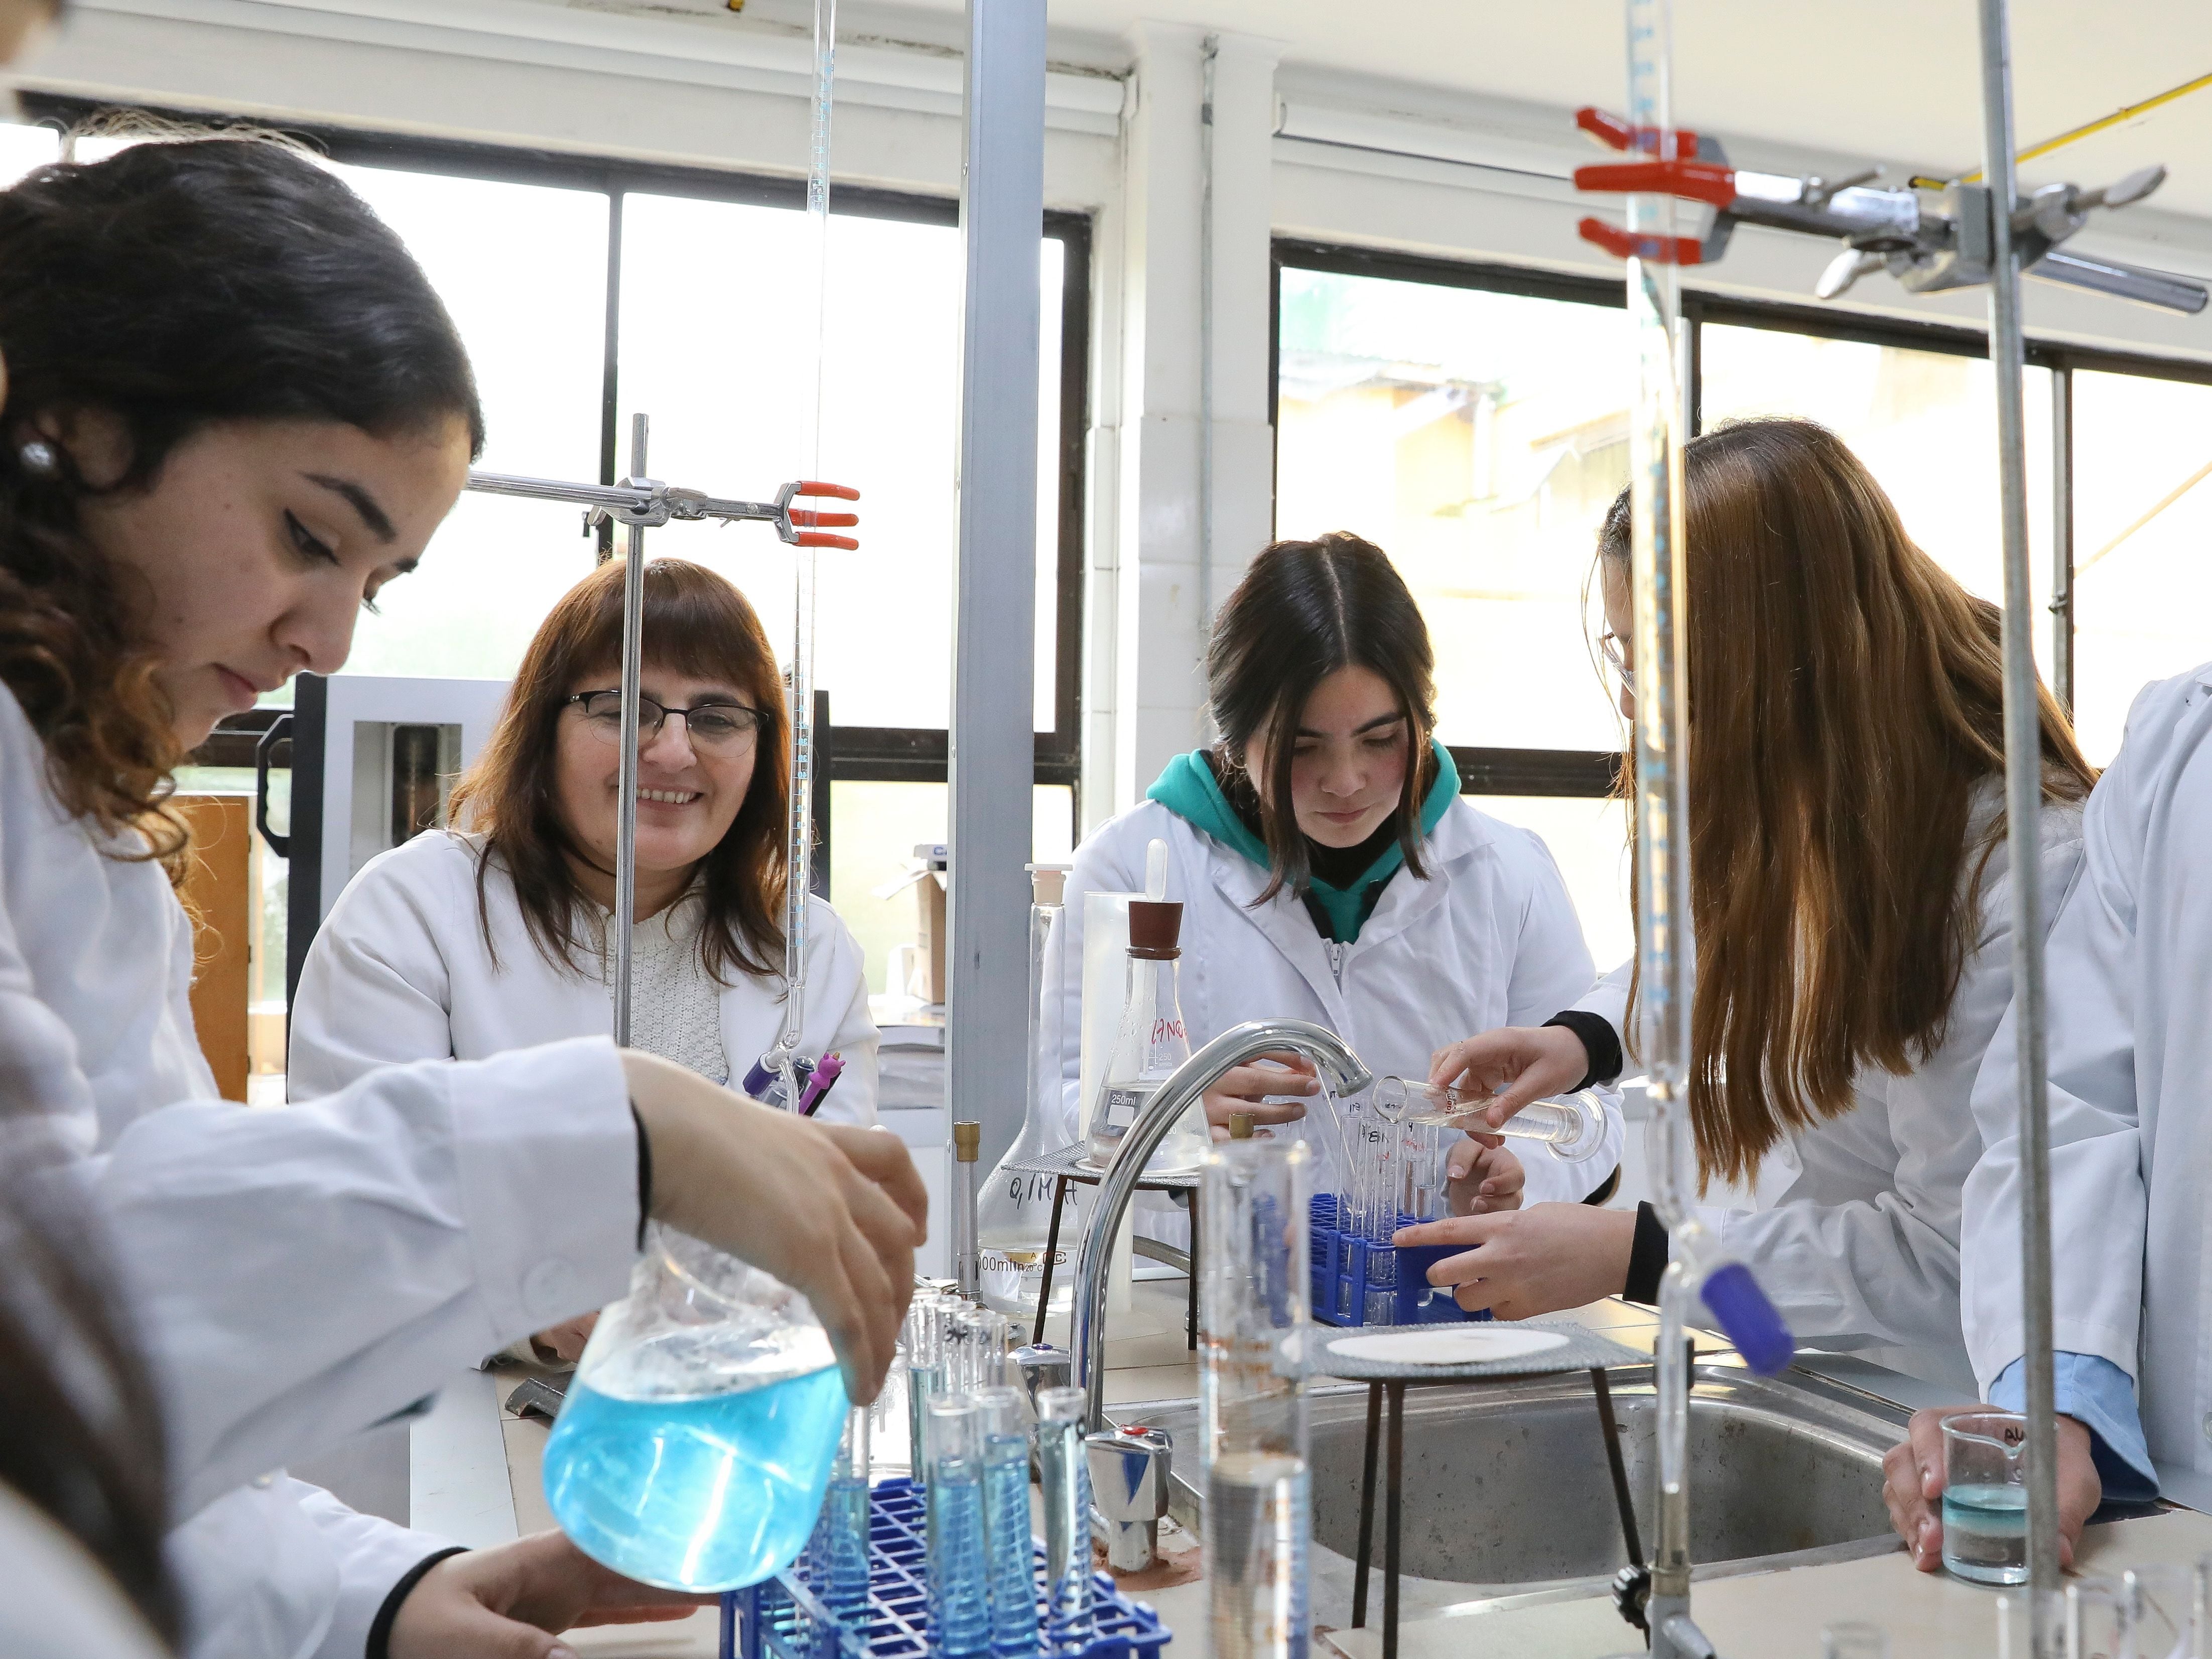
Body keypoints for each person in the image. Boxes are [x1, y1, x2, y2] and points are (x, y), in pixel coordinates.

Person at [0, 133, 921, 1658]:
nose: (329, 644)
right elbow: (41, 1344)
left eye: (376, 581)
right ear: (70, 418)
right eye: (309, 534)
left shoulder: (77, 832)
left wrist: (374, 1598)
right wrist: (620, 1133)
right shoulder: (409, 904)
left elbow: (124, 1390)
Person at [1396, 419, 2094, 1396]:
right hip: (1781, 1350)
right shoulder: (1814, 803)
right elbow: (1733, 956)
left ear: (1778, 655)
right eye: (1625, 658)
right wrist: (1587, 1038)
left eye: (1660, 663)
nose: (1637, 707)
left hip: (1945, 1404)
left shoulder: (2001, 873)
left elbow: (1959, 1256)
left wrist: (1637, 1255)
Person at [290, 555, 878, 1359]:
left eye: (717, 716)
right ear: (545, 728)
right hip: (452, 1419)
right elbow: (356, 1209)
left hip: (714, 1405)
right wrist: (532, 1306)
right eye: (622, 707)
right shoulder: (414, 911)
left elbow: (826, 1227)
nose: (672, 751)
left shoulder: (807, 949)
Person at [1054, 532, 1615, 1214]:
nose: (1345, 781)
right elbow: (1063, 1106)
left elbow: (1590, 1107)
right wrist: (1173, 1121)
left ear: (1421, 719)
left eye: (1381, 740)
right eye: (1302, 746)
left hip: (1443, 1310)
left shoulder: (1508, 872)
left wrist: (1515, 1170)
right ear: (1236, 734)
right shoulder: (1126, 869)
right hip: (1207, 1308)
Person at [1881, 663, 2212, 1569]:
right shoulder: (2181, 747)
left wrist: (1658, 1254)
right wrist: (2060, 1406)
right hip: (2180, 1509)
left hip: (1875, 1335)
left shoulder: (2007, 868)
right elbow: (2069, 1105)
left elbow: (1930, 1238)